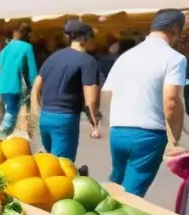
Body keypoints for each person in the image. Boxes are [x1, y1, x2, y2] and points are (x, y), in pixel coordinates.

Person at [103, 9, 188, 196]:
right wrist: (174, 139)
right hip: (148, 135)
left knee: (115, 187)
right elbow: (171, 101)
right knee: (131, 197)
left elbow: (108, 93)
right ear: (174, 29)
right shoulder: (174, 59)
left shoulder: (125, 56)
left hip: (118, 131)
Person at [30, 20, 101, 161]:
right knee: (62, 167)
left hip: (46, 116)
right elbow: (91, 99)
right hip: (65, 118)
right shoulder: (88, 61)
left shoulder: (53, 58)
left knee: (50, 164)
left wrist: (37, 110)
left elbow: (36, 86)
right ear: (87, 38)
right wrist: (95, 124)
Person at [0, 24, 37, 135]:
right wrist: (35, 86)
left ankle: (5, 137)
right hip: (17, 85)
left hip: (2, 86)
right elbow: (32, 70)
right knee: (12, 113)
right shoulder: (27, 47)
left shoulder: (4, 49)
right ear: (25, 33)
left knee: (8, 111)